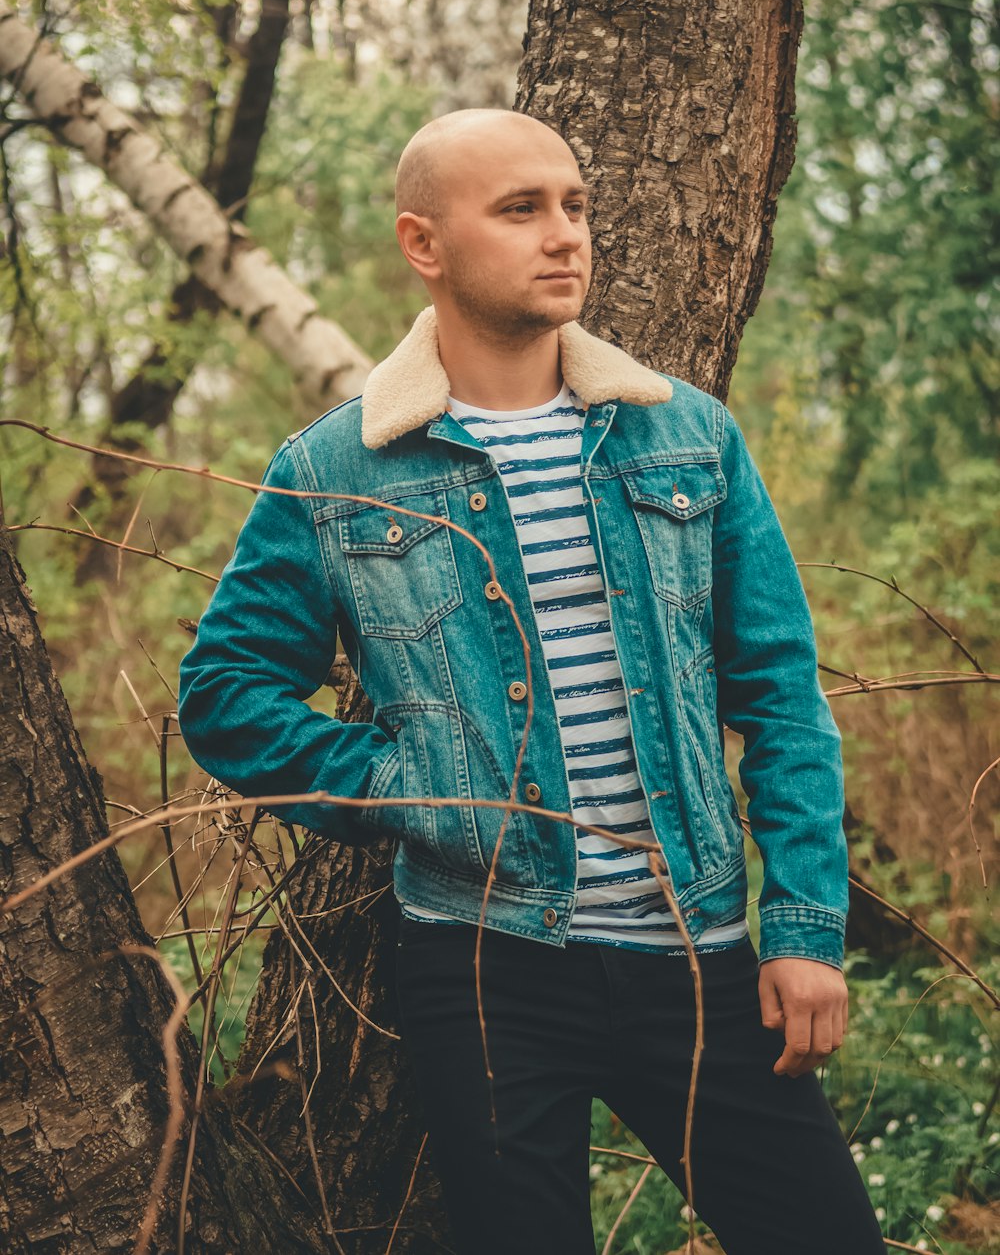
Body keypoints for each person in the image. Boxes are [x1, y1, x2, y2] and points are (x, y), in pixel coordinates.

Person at [177, 108, 884, 1254]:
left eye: (574, 205)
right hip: (484, 964)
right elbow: (224, 692)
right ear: (425, 243)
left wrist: (802, 924)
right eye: (520, 210)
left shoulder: (685, 440)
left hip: (697, 952)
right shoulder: (340, 470)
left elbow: (781, 694)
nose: (565, 236)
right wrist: (415, 787)